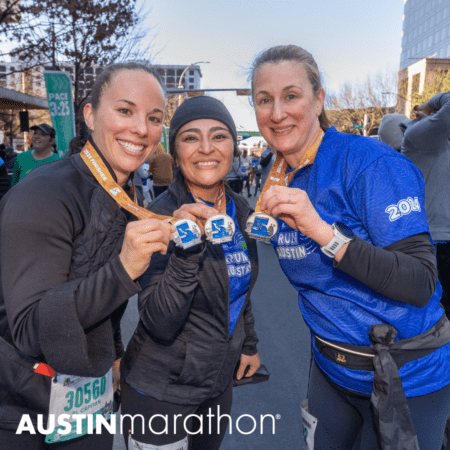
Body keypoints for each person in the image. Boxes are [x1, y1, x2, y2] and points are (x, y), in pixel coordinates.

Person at [250, 44, 450, 450]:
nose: (276, 113)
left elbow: (420, 282)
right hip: (330, 371)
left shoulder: (369, 163)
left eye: (291, 96)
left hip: (406, 381)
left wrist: (325, 233)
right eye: (264, 100)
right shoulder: (278, 175)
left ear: (319, 99)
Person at [0, 62, 172, 449]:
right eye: (125, 111)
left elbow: (92, 287)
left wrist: (113, 356)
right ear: (90, 116)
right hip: (21, 409)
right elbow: (29, 329)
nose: (141, 129)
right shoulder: (43, 194)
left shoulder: (125, 195)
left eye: (154, 117)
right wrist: (124, 268)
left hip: (86, 403)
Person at [120, 95, 260, 450]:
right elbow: (160, 321)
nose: (206, 149)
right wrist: (186, 248)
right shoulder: (157, 218)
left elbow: (240, 286)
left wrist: (249, 344)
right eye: (191, 137)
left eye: (218, 136)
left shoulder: (240, 210)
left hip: (217, 384)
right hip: (161, 391)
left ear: (233, 145)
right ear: (176, 153)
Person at [399, 94, 450, 322]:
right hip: (438, 241)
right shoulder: (419, 138)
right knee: (439, 312)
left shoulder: (434, 147)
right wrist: (431, 102)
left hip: (439, 237)